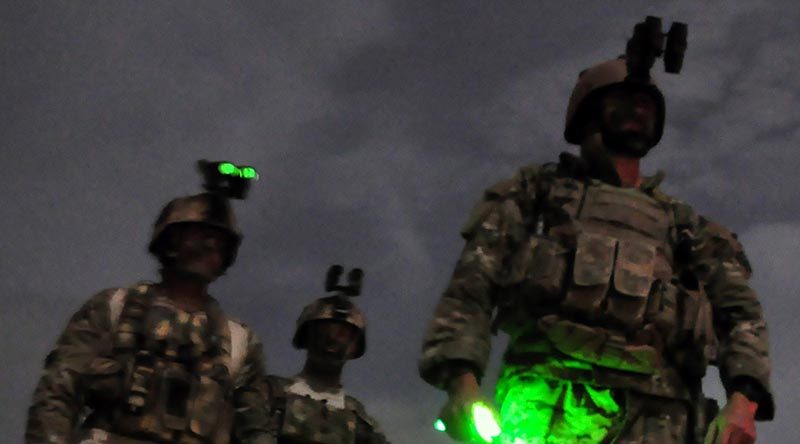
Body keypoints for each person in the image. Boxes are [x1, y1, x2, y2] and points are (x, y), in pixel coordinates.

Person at [418, 24, 774, 444]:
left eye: (647, 104)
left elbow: (741, 315)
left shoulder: (685, 225)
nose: (638, 111)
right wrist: (461, 381)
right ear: (588, 112)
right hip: (549, 398)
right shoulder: (537, 192)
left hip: (662, 414)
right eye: (624, 101)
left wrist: (743, 401)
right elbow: (471, 286)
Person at [26, 190, 272, 444]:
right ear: (171, 241)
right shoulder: (114, 307)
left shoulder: (239, 342)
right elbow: (58, 392)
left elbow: (255, 430)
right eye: (199, 235)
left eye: (219, 241)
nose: (210, 246)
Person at [262, 266, 389, 444]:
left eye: (343, 334)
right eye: (324, 331)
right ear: (307, 337)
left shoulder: (359, 421)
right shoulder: (269, 394)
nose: (332, 340)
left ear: (353, 348)